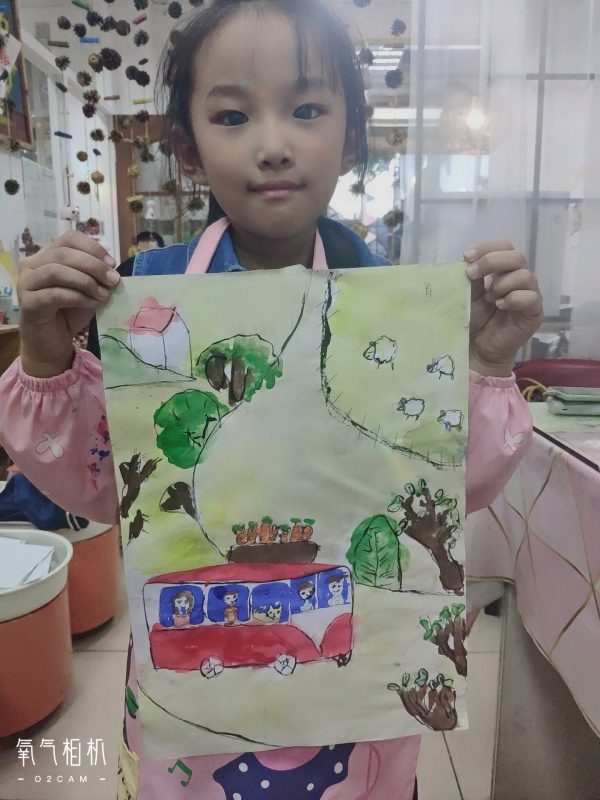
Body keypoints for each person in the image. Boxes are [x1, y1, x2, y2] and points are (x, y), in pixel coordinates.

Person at [0, 0, 543, 798]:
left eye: (308, 109)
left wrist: (486, 362)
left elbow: (447, 493)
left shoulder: (397, 309)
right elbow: (97, 487)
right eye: (232, 114)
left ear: (351, 138)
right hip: (196, 728)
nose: (273, 143)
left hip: (358, 703)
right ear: (188, 148)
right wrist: (47, 357)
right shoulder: (146, 300)